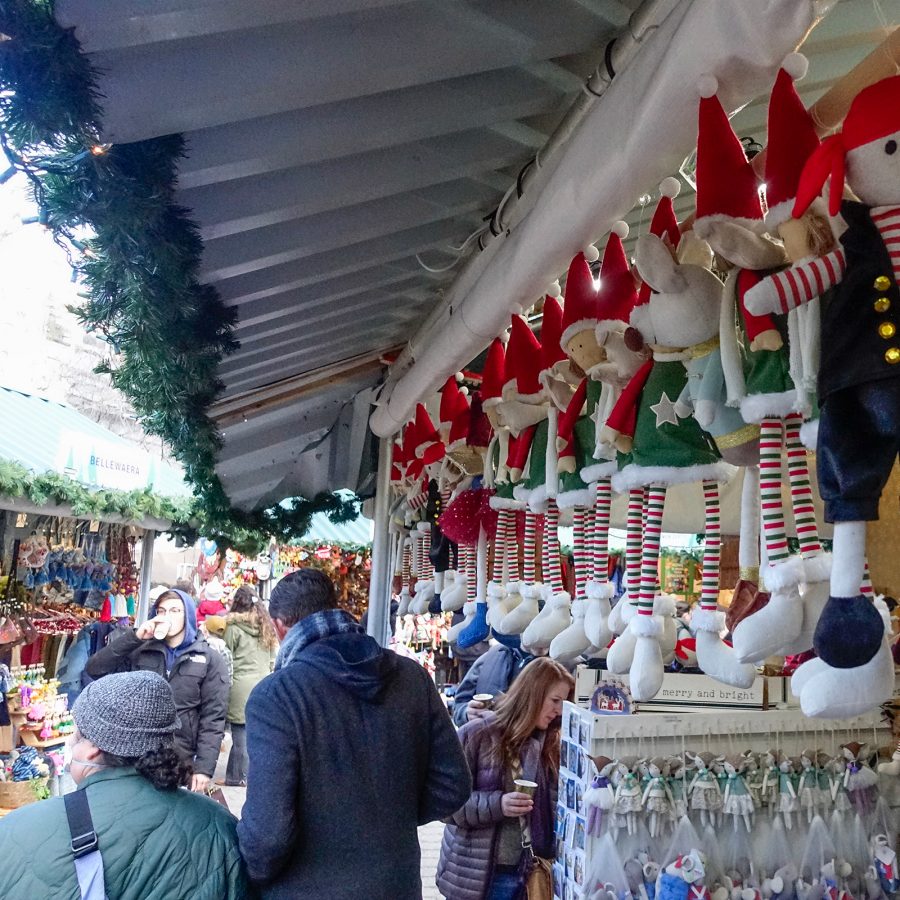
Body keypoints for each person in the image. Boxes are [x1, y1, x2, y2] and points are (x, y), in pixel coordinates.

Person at [237, 568, 471, 899]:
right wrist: (388, 815)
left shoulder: (277, 696)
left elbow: (267, 836)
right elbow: (453, 785)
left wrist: (252, 871)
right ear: (335, 607)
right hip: (395, 885)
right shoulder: (411, 677)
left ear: (279, 627)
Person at [0, 671, 251, 898]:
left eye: (77, 736)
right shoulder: (222, 825)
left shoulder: (16, 830)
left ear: (93, 748)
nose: (71, 745)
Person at [437, 657, 575, 900]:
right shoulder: (477, 734)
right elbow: (446, 805)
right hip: (479, 877)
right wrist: (498, 804)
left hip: (530, 873)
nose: (559, 710)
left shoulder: (552, 743)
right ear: (533, 694)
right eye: (555, 700)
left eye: (564, 702)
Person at [84, 588, 229, 793]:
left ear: (187, 615)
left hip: (180, 758)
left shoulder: (209, 658)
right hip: (135, 754)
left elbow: (213, 717)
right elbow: (95, 669)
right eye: (161, 611)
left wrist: (204, 768)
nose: (166, 616)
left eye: (174, 611)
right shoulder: (141, 650)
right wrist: (135, 637)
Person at [219, 585, 278, 787]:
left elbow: (226, 658)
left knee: (240, 735)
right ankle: (252, 774)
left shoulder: (232, 628)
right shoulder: (266, 627)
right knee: (256, 734)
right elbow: (273, 659)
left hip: (239, 685)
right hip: (263, 684)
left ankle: (237, 777)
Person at [452, 641, 536, 726]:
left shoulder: (547, 664)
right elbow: (459, 704)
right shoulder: (491, 656)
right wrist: (466, 713)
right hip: (485, 735)